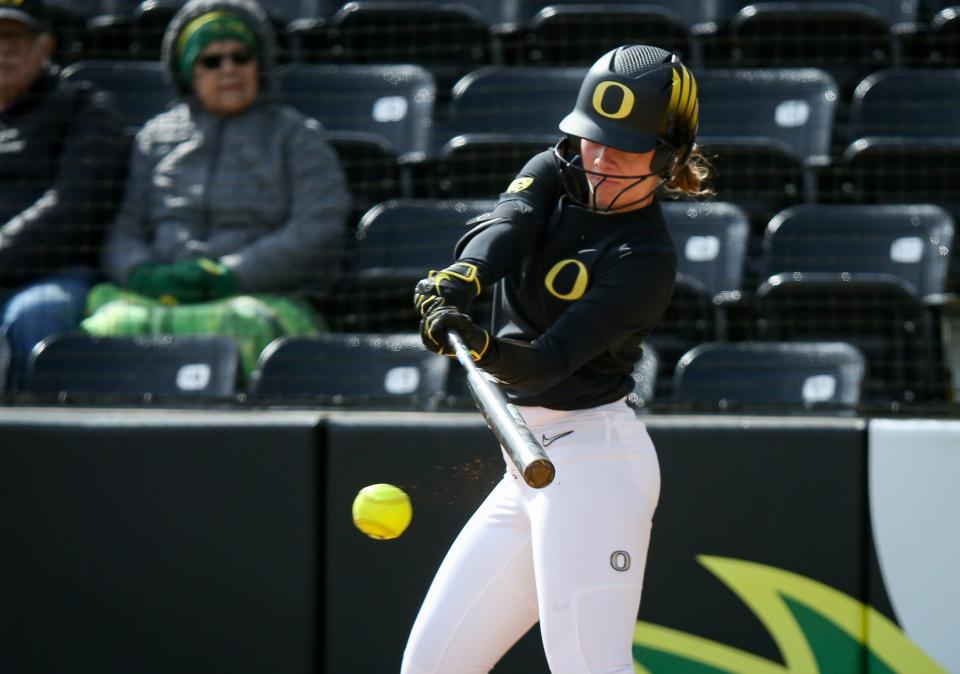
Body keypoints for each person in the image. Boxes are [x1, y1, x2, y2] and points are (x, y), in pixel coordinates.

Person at [404, 45, 713, 674]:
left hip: (594, 464)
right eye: (592, 138)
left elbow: (548, 364)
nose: (597, 159)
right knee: (433, 666)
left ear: (667, 158)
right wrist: (464, 277)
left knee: (590, 667)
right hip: (531, 464)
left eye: (623, 149)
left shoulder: (645, 261)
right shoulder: (557, 167)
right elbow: (508, 226)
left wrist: (482, 345)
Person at [82, 0, 349, 377]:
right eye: (211, 61)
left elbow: (318, 228)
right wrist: (142, 273)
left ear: (260, 63)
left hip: (257, 296)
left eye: (240, 57)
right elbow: (123, 228)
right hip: (159, 293)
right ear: (189, 71)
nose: (229, 70)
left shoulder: (297, 136)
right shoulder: (154, 138)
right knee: (106, 323)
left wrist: (229, 274)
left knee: (247, 325)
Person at [0, 0, 124, 389]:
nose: (4, 50)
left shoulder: (83, 107)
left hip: (52, 274)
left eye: (15, 39)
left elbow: (76, 204)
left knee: (37, 314)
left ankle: (32, 443)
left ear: (46, 47)